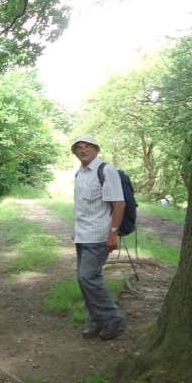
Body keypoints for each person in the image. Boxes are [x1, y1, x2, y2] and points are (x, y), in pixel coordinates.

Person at [71, 135, 125, 340]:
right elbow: (82, 206)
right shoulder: (80, 173)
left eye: (87, 146)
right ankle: (97, 320)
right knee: (83, 279)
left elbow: (119, 204)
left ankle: (112, 319)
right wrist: (75, 230)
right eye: (78, 148)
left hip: (99, 235)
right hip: (82, 234)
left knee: (88, 277)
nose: (82, 150)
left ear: (96, 149)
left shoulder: (106, 170)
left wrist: (113, 234)